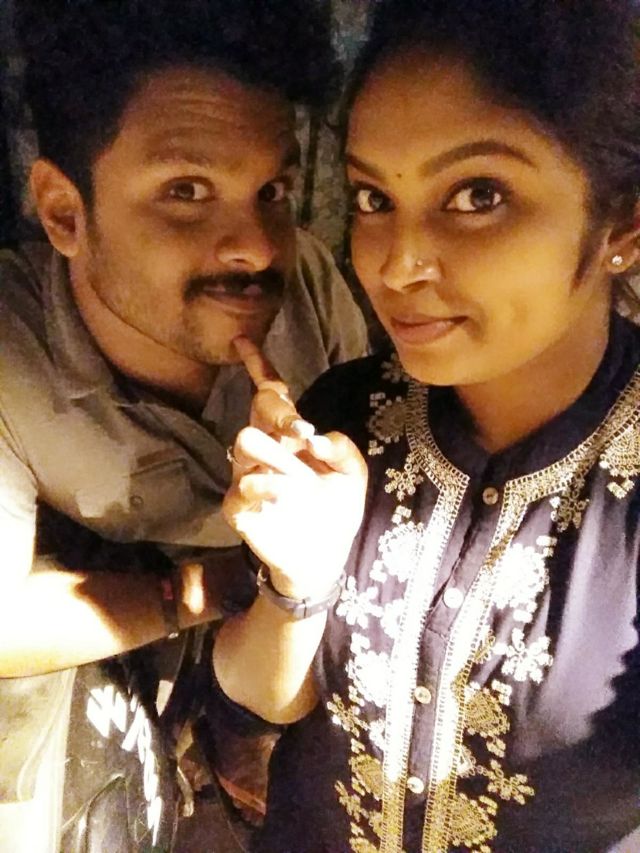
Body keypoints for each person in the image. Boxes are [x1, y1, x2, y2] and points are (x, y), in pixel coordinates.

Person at [214, 1, 640, 850]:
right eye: (374, 197)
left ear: (622, 225)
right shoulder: (346, 415)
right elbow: (269, 698)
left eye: (478, 196)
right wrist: (298, 580)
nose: (396, 263)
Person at [0, 0, 366, 845]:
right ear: (64, 212)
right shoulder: (13, 349)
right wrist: (209, 587)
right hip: (137, 600)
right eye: (187, 192)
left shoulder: (307, 286)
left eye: (272, 191)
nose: (256, 248)